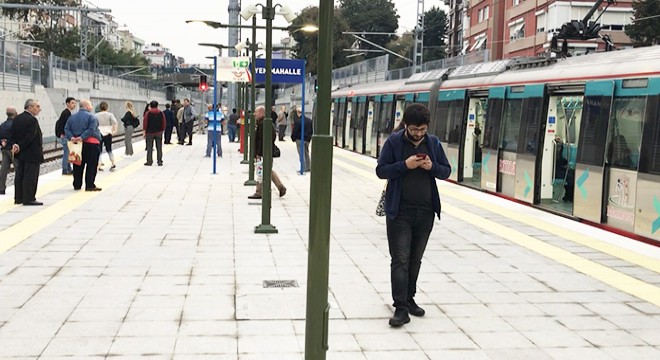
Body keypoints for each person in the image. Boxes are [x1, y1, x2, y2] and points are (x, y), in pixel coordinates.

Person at [375, 103, 451, 327]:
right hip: (400, 211)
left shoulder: (433, 143)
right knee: (400, 259)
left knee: (415, 259)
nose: (418, 134)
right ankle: (400, 307)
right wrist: (404, 165)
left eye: (422, 130)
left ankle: (410, 298)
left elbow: (446, 171)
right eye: (414, 129)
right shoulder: (394, 142)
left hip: (425, 211)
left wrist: (431, 167)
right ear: (406, 125)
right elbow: (381, 170)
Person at [10, 99, 45, 205]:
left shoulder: (17, 118)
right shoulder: (32, 120)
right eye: (37, 106)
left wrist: (15, 145)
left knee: (20, 175)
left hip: (20, 154)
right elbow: (30, 137)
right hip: (32, 153)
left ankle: (19, 197)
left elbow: (13, 134)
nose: (40, 109)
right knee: (31, 176)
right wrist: (20, 146)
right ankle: (29, 198)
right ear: (30, 107)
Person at [248, 105, 286, 199]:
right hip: (266, 152)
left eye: (256, 112)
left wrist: (258, 153)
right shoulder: (264, 123)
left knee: (260, 171)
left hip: (263, 153)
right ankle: (280, 187)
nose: (254, 114)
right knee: (268, 170)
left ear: (261, 112)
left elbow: (262, 140)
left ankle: (259, 192)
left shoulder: (263, 124)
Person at [65, 99, 103, 192]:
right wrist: (82, 137)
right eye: (90, 105)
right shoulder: (92, 117)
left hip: (76, 145)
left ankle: (77, 184)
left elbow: (66, 129)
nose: (91, 107)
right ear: (86, 106)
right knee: (91, 165)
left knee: (77, 164)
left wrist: (72, 137)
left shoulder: (72, 117)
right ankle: (89, 185)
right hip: (91, 144)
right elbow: (91, 129)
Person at [55, 97, 76, 175]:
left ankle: (68, 168)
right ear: (67, 104)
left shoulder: (67, 113)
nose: (74, 105)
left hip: (64, 135)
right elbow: (66, 126)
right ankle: (65, 169)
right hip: (65, 136)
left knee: (68, 152)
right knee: (66, 153)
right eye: (72, 103)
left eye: (74, 103)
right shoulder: (66, 113)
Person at [95, 101, 118, 171]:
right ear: (107, 107)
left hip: (99, 133)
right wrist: (114, 130)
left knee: (99, 150)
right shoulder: (110, 114)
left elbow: (94, 124)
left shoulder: (96, 115)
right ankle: (113, 162)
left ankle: (98, 165)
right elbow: (115, 122)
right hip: (108, 132)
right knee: (109, 149)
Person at [0, 106, 18, 195]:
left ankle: (1, 188)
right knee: (18, 170)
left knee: (3, 170)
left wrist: (2, 142)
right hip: (13, 150)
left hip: (4, 149)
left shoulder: (2, 125)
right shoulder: (15, 125)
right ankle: (18, 189)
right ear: (15, 114)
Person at [143, 100, 166, 166]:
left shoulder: (148, 113)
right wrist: (162, 130)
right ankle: (159, 161)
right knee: (159, 147)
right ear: (157, 105)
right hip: (159, 132)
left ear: (150, 106)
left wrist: (144, 131)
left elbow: (145, 123)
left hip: (150, 133)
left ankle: (149, 161)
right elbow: (164, 122)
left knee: (149, 147)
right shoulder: (161, 113)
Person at [291, 107, 312, 172]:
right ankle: (308, 166)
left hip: (300, 139)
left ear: (298, 112)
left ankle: (303, 168)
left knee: (301, 153)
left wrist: (293, 138)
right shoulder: (309, 120)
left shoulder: (298, 121)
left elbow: (295, 131)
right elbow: (311, 130)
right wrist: (309, 138)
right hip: (307, 139)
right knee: (306, 153)